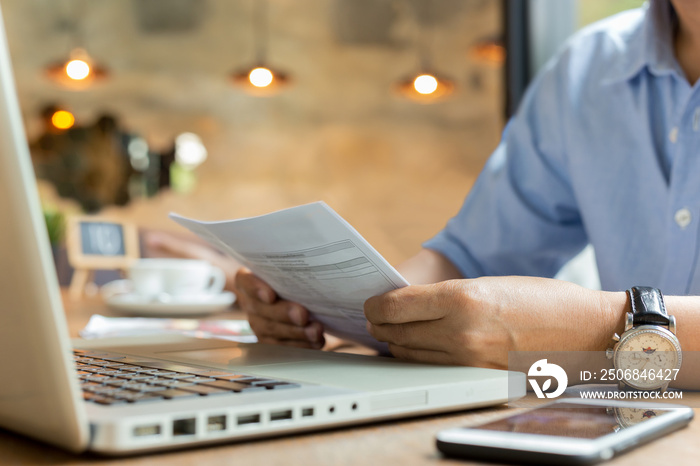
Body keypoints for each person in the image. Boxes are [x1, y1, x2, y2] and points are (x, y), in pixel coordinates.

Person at [150, 0, 700, 374]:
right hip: (628, 420)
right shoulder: (587, 69)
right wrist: (329, 300)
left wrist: (594, 331)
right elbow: (467, 257)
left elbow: (572, 328)